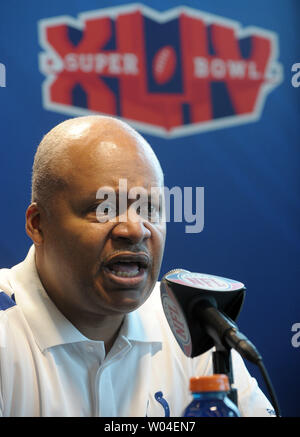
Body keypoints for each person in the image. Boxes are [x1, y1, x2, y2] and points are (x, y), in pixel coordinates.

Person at [0, 116, 274, 417]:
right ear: (38, 224)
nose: (135, 230)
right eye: (104, 209)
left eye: (148, 209)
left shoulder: (191, 322)